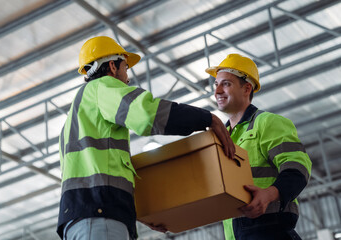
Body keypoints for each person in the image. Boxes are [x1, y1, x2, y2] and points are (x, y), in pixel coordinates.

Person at [56, 36, 235, 240]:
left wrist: (138, 213)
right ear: (112, 66)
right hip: (100, 216)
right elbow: (147, 114)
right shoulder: (102, 88)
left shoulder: (74, 119)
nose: (127, 78)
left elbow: (101, 173)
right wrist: (207, 118)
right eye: (125, 67)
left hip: (81, 220)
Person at [206, 53, 312, 240]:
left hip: (270, 229)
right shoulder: (219, 137)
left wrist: (269, 195)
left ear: (247, 88)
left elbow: (298, 169)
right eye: (216, 84)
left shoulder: (267, 122)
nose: (217, 91)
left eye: (226, 84)